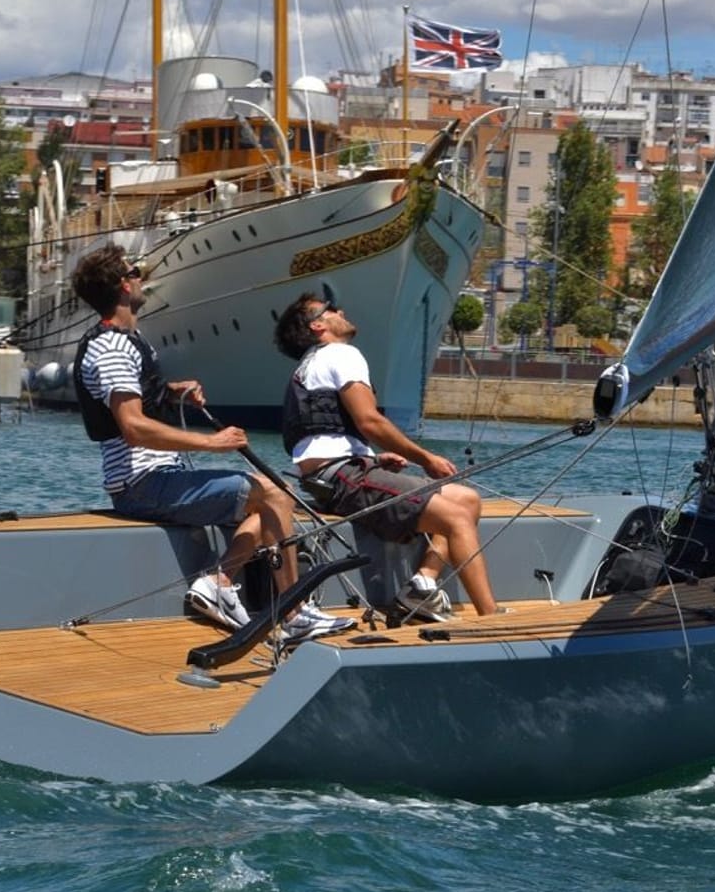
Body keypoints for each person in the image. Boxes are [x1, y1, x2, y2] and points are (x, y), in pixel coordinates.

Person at [71, 244, 353, 643]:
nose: (142, 277)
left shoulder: (128, 341)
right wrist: (213, 443)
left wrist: (171, 393)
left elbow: (134, 399)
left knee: (278, 494)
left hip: (159, 479)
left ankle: (219, 582)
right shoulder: (113, 347)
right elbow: (132, 426)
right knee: (274, 494)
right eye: (135, 271)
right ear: (123, 284)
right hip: (143, 486)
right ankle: (293, 613)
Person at [274, 293, 502, 618]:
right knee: (457, 518)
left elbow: (324, 437)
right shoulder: (341, 353)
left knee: (467, 499)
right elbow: (369, 421)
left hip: (332, 476)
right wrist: (426, 458)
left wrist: (375, 461)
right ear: (318, 324)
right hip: (344, 479)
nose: (342, 310)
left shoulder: (310, 364)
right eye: (332, 308)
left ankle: (422, 584)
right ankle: (490, 619)